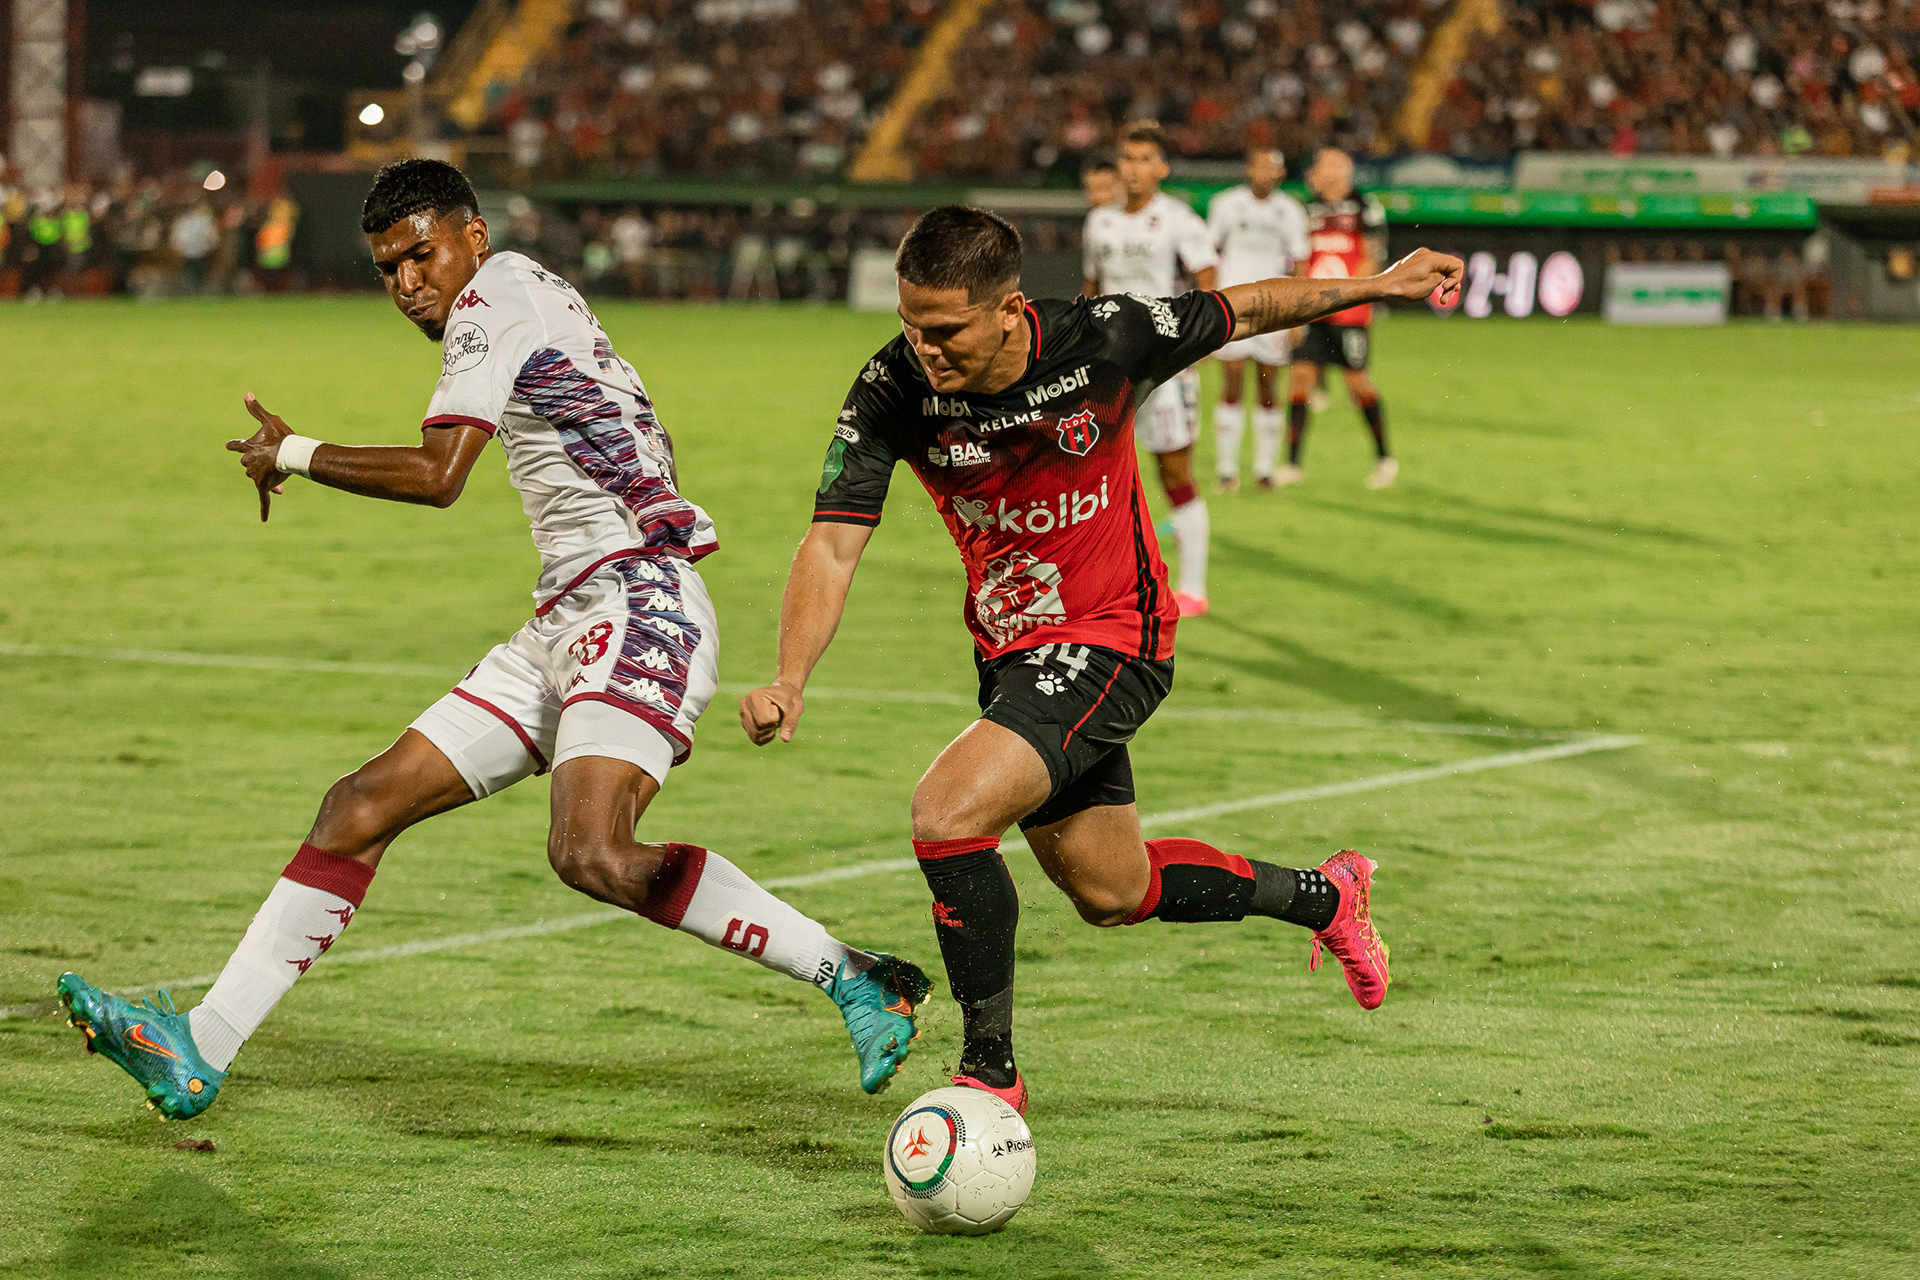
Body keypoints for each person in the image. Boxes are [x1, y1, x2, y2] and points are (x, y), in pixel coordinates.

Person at [56, 159, 929, 1121]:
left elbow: (440, 475)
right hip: (570, 613)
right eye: (388, 268)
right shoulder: (518, 293)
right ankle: (197, 1049)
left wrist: (294, 452)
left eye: (420, 255)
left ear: (473, 234)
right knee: (358, 805)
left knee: (591, 851)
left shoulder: (494, 295)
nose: (407, 283)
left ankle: (853, 975)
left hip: (639, 599)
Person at [740, 204, 1462, 1113]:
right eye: (909, 324)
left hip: (1118, 637)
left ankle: (989, 1076)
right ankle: (1326, 897)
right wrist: (788, 676)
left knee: (948, 812)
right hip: (1014, 652)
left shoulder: (1107, 339)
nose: (922, 347)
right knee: (1113, 890)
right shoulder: (891, 386)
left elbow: (1249, 305)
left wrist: (1377, 283)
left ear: (1008, 309)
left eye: (945, 328)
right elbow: (834, 543)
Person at [1082, 120, 1217, 617]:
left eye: (1144, 160)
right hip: (1110, 364)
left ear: (1161, 168)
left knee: (1174, 471)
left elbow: (1208, 280)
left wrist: (1198, 339)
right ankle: (1105, 581)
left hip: (1164, 365)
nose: (1134, 169)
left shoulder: (1179, 219)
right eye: (1127, 159)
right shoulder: (1100, 222)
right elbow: (1091, 288)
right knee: (1097, 472)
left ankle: (1194, 587)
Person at [1285, 148, 1397, 490]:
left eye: (1332, 163)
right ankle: (1292, 464)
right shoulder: (1306, 209)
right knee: (1299, 380)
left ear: (1346, 169)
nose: (1324, 168)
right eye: (1321, 163)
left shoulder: (1365, 204)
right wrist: (1296, 308)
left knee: (1358, 384)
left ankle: (1383, 458)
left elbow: (1372, 256)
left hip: (1349, 312)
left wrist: (1346, 295)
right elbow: (1299, 261)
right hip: (1311, 309)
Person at [1206, 148, 1309, 492]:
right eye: (1259, 165)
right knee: (1232, 382)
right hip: (1232, 305)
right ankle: (1226, 470)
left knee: (1268, 386)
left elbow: (1299, 264)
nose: (1264, 173)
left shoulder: (1291, 211)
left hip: (1274, 309)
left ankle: (1265, 469)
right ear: (1248, 168)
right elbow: (1210, 253)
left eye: (1272, 168)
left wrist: (1298, 316)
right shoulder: (1225, 204)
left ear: (1280, 175)